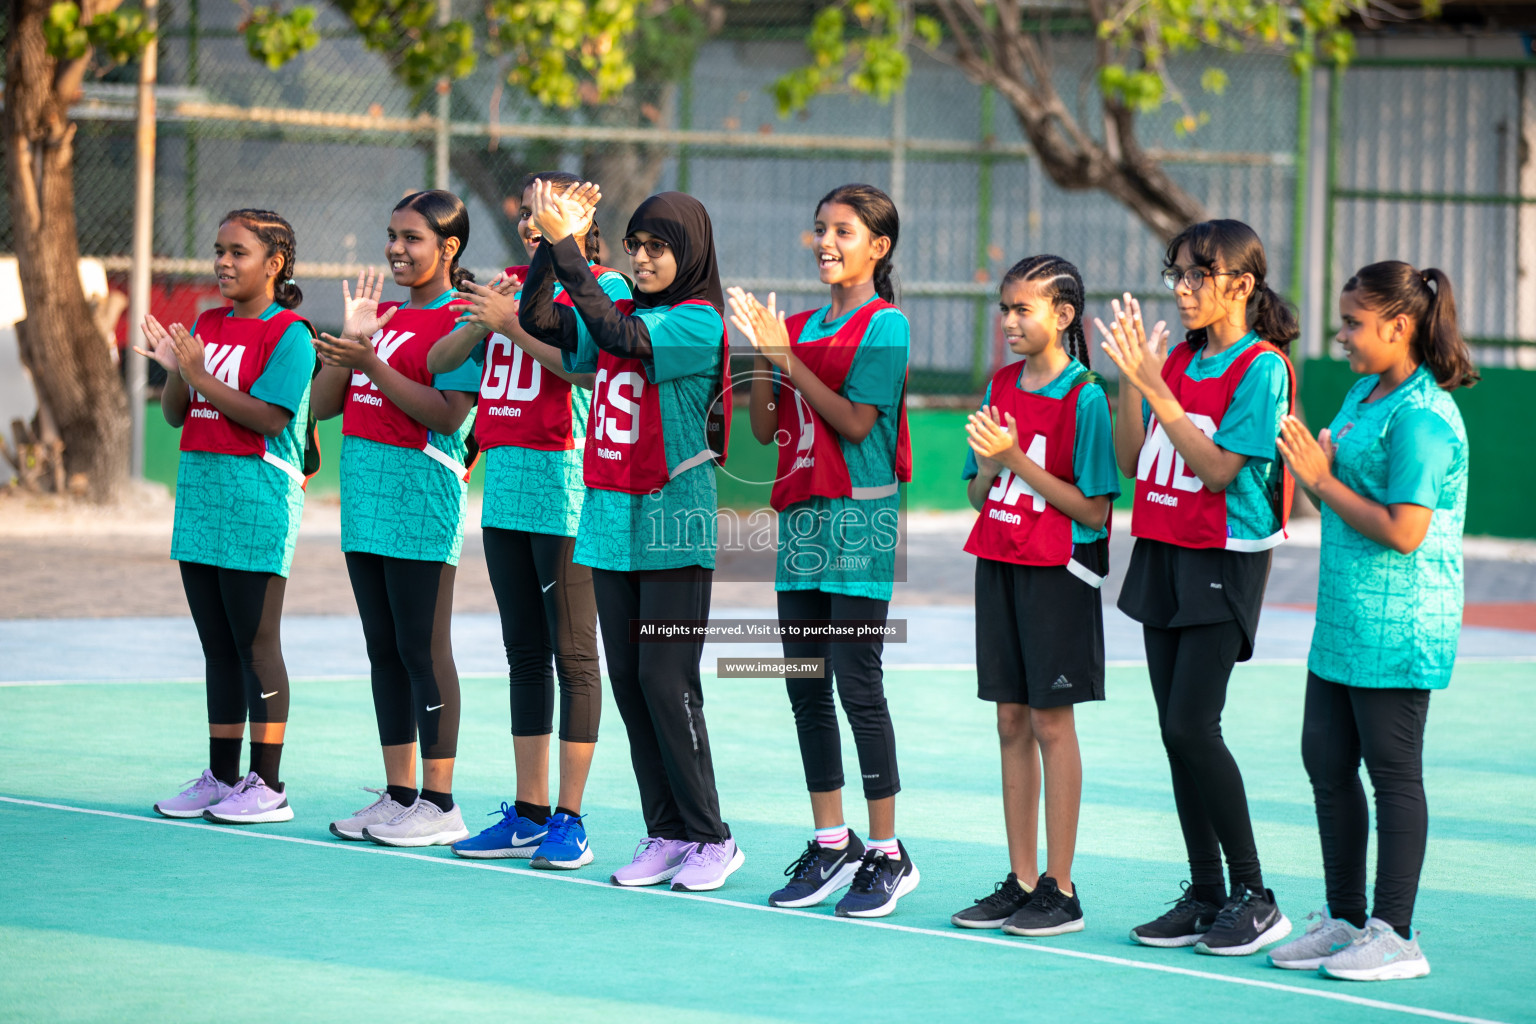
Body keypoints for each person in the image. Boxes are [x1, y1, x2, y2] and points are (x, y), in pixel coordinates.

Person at [519, 182, 743, 892]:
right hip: (611, 519)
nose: (642, 259)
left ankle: (713, 835)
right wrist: (551, 246)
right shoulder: (614, 306)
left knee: (665, 679)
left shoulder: (697, 321)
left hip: (674, 520)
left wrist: (566, 246)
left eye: (658, 248)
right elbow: (538, 319)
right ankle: (667, 831)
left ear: (691, 253)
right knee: (626, 681)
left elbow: (622, 340)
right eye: (635, 246)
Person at [1267, 261, 1476, 981]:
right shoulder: (1363, 394)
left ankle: (1397, 934)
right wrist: (1315, 474)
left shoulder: (1422, 416)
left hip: (1399, 625)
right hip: (1345, 619)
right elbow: (1337, 497)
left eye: (1354, 323)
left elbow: (1405, 530)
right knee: (1325, 761)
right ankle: (1346, 921)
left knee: (1393, 775)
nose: (1343, 335)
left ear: (1399, 327)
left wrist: (1321, 479)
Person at [1098, 219, 1296, 956]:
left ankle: (1254, 893)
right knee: (1173, 735)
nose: (1182, 290)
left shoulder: (1261, 367)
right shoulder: (1174, 360)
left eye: (1197, 276)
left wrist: (1162, 393)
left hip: (1224, 553)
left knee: (1192, 726)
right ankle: (1207, 892)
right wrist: (1132, 383)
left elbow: (1219, 471)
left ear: (1241, 285)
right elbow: (1129, 459)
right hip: (1162, 549)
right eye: (1175, 275)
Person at [728, 183, 919, 918]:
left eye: (844, 230)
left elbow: (856, 422)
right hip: (803, 520)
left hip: (861, 520)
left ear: (879, 247)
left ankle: (887, 852)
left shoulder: (887, 326)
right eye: (819, 229)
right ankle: (831, 840)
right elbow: (765, 426)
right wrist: (764, 359)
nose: (827, 241)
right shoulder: (798, 325)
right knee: (805, 683)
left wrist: (789, 355)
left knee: (855, 681)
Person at [428, 172, 626, 869]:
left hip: (568, 488)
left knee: (574, 653)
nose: (533, 222)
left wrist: (513, 326)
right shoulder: (507, 285)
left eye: (552, 214)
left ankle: (571, 819)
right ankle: (529, 809)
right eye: (530, 213)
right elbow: (437, 360)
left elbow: (587, 370)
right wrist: (484, 323)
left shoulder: (605, 290)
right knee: (522, 654)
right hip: (507, 490)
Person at [949, 254, 1117, 935]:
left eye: (1025, 309)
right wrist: (991, 468)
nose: (1010, 320)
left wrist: (1017, 459)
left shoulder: (1087, 398)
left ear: (1064, 316)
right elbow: (975, 494)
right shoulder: (1000, 385)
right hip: (1001, 563)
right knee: (1010, 720)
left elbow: (1096, 512)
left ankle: (1062, 887)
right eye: (1006, 307)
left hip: (1059, 575)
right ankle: (1021, 881)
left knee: (1052, 722)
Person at [316, 190, 482, 848]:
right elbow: (327, 406)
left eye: (412, 238)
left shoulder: (460, 319)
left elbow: (448, 414)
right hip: (364, 497)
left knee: (423, 647)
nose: (395, 248)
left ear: (448, 249)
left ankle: (441, 802)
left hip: (420, 494)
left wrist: (374, 361)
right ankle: (400, 793)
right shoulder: (377, 316)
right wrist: (353, 342)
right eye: (391, 235)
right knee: (383, 648)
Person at [143, 209, 315, 825]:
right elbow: (174, 413)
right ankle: (221, 775)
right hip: (201, 498)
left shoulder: (290, 333)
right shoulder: (207, 323)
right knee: (217, 647)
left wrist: (198, 374)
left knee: (255, 646)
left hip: (256, 502)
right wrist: (176, 374)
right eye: (218, 250)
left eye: (238, 252)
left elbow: (269, 418)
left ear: (273, 264)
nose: (223, 262)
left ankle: (267, 784)